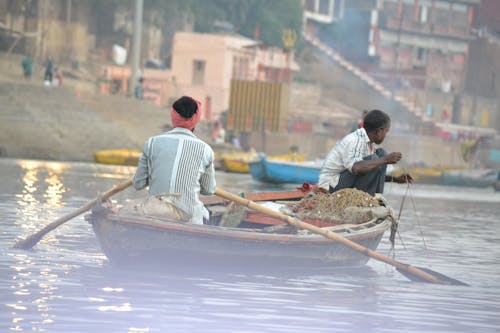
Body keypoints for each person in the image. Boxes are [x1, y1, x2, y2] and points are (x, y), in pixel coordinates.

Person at [133, 96, 216, 224]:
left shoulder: (151, 143)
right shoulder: (206, 150)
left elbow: (138, 184)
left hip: (155, 213)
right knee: (203, 214)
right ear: (196, 119)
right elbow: (209, 190)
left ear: (173, 116)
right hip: (190, 219)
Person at [318, 109, 413, 196]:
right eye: (386, 132)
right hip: (330, 187)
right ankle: (364, 198)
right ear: (379, 131)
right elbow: (357, 168)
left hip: (342, 181)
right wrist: (385, 160)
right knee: (376, 159)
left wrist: (395, 179)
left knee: (380, 154)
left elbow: (371, 173)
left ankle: (376, 196)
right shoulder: (356, 140)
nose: (385, 135)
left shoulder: (368, 143)